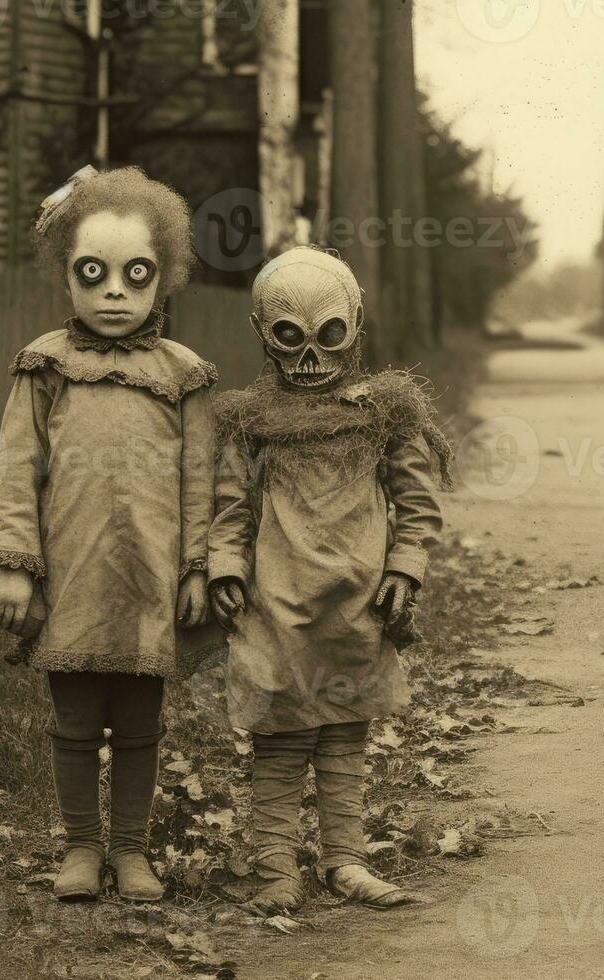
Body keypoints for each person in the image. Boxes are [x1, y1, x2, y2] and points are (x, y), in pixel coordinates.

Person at [0, 166, 221, 902]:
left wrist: (197, 567)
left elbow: (202, 481)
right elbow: (16, 470)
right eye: (95, 273)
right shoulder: (45, 366)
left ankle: (132, 851)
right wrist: (14, 562)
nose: (114, 291)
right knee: (77, 718)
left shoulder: (184, 377)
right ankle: (82, 848)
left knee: (141, 723)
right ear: (68, 275)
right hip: (74, 571)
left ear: (165, 277)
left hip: (149, 575)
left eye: (134, 273)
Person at [207, 246, 450, 913]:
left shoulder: (383, 413)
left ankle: (344, 860)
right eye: (290, 338)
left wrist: (405, 566)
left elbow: (417, 500)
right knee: (280, 739)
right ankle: (275, 868)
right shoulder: (248, 423)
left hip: (356, 602)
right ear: (263, 334)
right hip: (274, 602)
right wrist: (224, 566)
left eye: (328, 335)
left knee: (344, 734)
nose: (310, 358)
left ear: (354, 326)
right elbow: (228, 506)